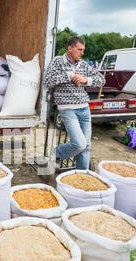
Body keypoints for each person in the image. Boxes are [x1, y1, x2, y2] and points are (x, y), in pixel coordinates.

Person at [44, 37, 106, 170]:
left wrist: (85, 79)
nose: (82, 53)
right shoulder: (57, 61)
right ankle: (56, 153)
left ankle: (82, 179)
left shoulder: (84, 64)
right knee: (79, 144)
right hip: (67, 109)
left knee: (86, 146)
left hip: (84, 108)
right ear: (70, 49)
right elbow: (48, 81)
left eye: (83, 50)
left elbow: (101, 80)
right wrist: (69, 76)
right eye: (79, 50)